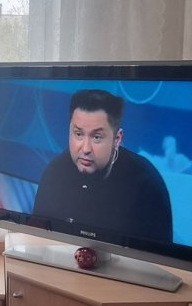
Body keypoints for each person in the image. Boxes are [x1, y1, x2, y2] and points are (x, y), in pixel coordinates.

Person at [32, 88, 172, 243]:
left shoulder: (147, 186)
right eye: (78, 134)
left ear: (117, 139)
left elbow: (157, 254)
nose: (85, 148)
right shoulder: (54, 173)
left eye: (97, 137)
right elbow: (37, 240)